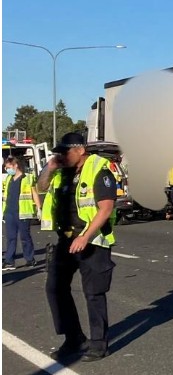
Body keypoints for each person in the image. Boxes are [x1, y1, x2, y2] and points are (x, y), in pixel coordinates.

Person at [36, 132, 118, 362]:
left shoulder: (98, 170)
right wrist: (50, 167)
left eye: (65, 152)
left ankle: (99, 344)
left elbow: (106, 208)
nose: (61, 156)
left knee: (93, 293)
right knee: (55, 287)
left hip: (92, 241)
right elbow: (41, 187)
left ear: (80, 150)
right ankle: (73, 338)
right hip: (65, 240)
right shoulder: (61, 172)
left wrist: (84, 237)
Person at [2, 155, 42, 270]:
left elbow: (34, 193)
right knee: (11, 238)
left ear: (15, 166)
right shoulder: (8, 179)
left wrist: (39, 208)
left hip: (23, 212)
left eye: (8, 167)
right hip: (9, 212)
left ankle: (30, 259)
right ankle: (9, 261)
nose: (7, 170)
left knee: (25, 237)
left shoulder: (28, 178)